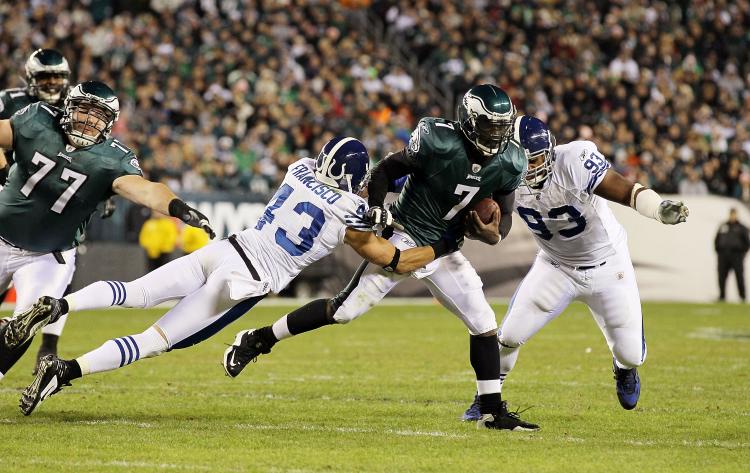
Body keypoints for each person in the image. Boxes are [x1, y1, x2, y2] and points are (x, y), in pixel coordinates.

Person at [14, 136, 455, 415]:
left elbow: (335, 195)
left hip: (227, 248)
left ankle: (60, 304)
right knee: (156, 340)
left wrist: (369, 211)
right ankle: (65, 371)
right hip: (245, 279)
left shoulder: (299, 168)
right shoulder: (352, 208)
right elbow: (389, 256)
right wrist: (435, 243)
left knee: (137, 291)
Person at [220, 84, 538, 431]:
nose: (497, 134)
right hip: (406, 232)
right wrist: (375, 208)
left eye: (502, 126)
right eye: (489, 125)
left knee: (483, 322)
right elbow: (385, 170)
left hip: (446, 245)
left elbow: (503, 219)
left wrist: (493, 234)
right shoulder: (439, 139)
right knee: (343, 311)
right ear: (469, 120)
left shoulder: (510, 160)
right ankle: (259, 338)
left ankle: (490, 412)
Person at [460, 116, 689, 421]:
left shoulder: (574, 160)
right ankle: (487, 397)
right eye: (523, 161)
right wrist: (490, 233)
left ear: (551, 151)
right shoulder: (502, 173)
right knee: (510, 334)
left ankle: (623, 369)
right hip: (556, 266)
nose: (531, 168)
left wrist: (657, 208)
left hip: (609, 265)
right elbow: (500, 223)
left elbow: (623, 189)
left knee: (631, 353)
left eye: (537, 159)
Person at [0, 80, 214, 381]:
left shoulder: (113, 158)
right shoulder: (36, 118)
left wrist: (178, 208)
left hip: (48, 257)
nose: (89, 120)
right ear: (68, 108)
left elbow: (146, 190)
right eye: (84, 110)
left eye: (98, 115)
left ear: (110, 123)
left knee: (23, 325)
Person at [0, 49, 115, 366]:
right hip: (12, 197)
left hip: (55, 203)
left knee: (60, 269)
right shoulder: (11, 102)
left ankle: (48, 345)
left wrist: (105, 195)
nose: (52, 82)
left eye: (58, 77)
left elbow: (98, 161)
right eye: (45, 76)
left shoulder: (80, 108)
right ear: (30, 78)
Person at [714, 208, 749, 302]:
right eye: (731, 214)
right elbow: (716, 240)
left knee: (739, 277)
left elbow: (747, 243)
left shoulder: (742, 227)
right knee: (721, 276)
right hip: (723, 255)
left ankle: (742, 297)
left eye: (734, 214)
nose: (732, 216)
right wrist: (719, 251)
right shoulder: (723, 226)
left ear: (737, 215)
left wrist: (742, 255)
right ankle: (722, 296)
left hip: (736, 255)